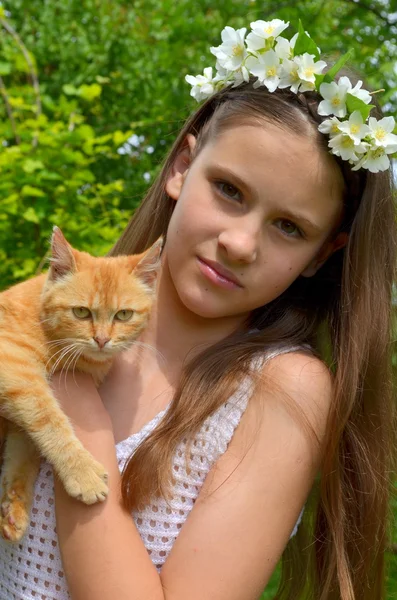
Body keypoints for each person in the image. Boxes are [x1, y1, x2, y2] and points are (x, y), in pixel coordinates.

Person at [0, 18, 396, 600]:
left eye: (289, 226)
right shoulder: (70, 307)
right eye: (230, 190)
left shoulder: (281, 389)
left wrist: (74, 404)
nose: (240, 242)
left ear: (322, 254)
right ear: (182, 168)